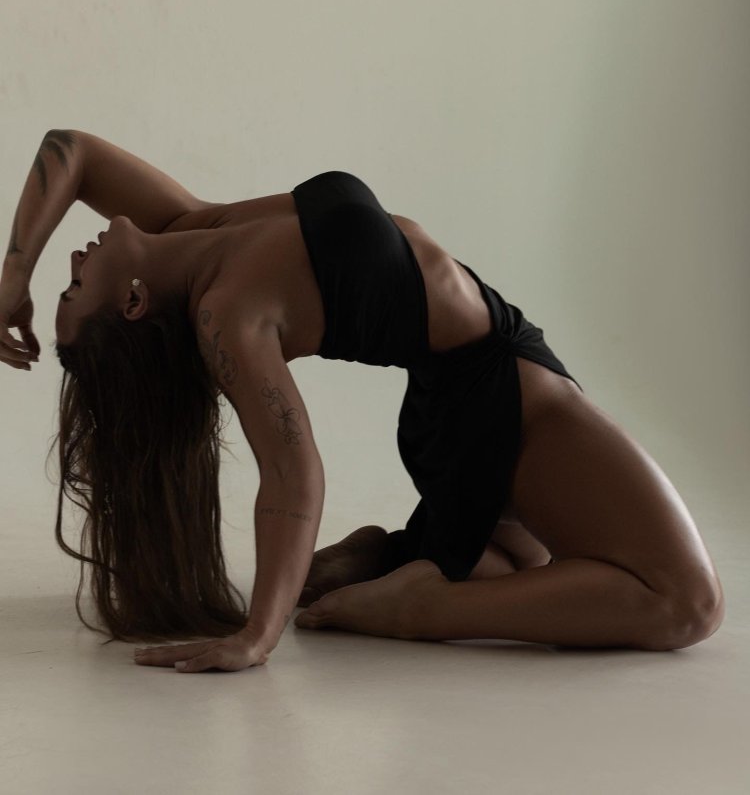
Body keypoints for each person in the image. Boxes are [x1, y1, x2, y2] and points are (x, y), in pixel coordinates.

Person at [0, 130, 725, 673]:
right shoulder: (228, 313)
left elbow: (73, 151)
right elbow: (292, 472)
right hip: (499, 400)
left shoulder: (197, 228)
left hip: (469, 395)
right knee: (686, 601)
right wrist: (258, 635)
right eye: (73, 287)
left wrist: (13, 280)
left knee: (524, 567)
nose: (74, 259)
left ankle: (389, 558)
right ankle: (420, 607)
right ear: (132, 303)